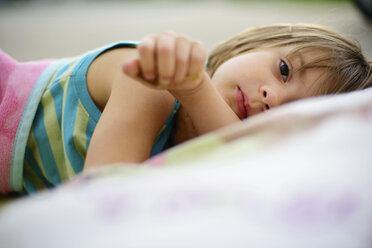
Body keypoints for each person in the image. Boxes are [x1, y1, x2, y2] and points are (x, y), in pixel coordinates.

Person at [0, 23, 371, 194]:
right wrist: (194, 87)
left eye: (286, 114)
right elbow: (99, 198)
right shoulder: (153, 84)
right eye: (284, 70)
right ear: (253, 43)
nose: (270, 97)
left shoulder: (194, 163)